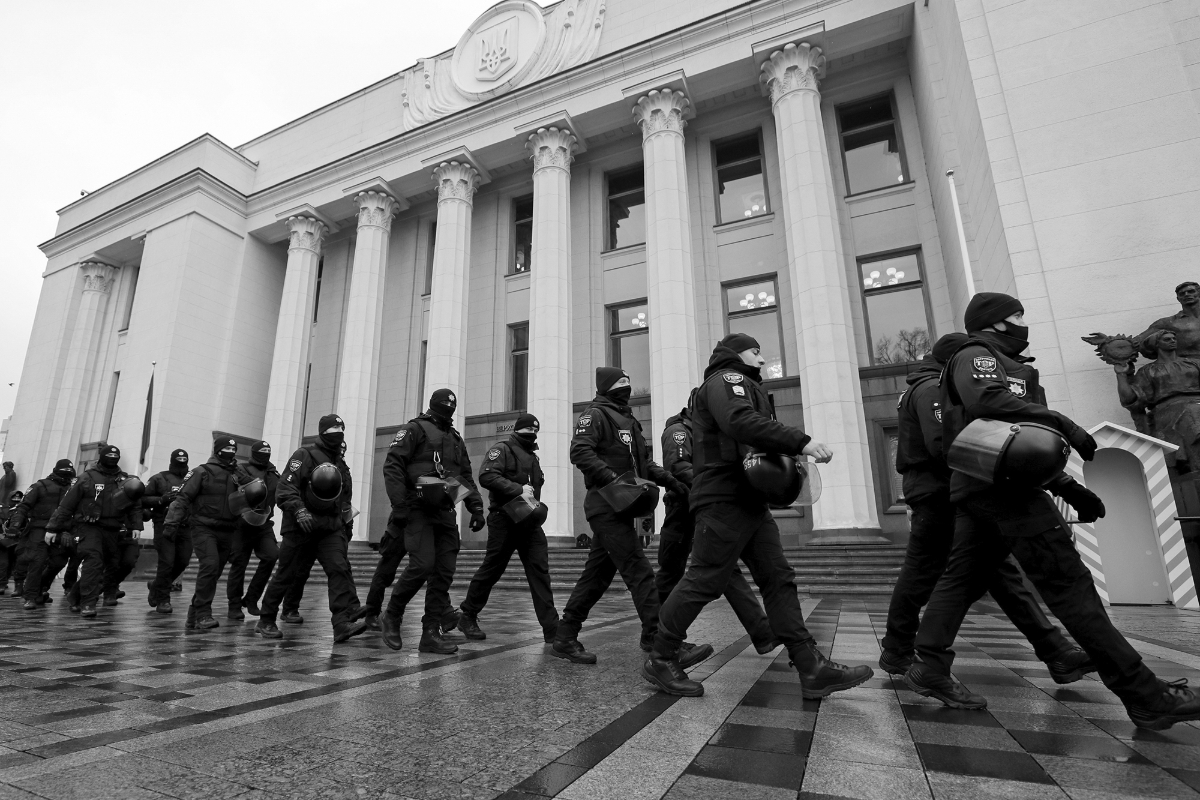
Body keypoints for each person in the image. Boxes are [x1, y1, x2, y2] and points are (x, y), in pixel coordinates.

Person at [906, 291, 1200, 731]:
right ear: (996, 322)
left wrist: (1066, 484)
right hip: (1002, 489)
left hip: (989, 486)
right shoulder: (975, 354)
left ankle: (928, 664)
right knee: (1071, 587)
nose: (1024, 321)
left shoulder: (1018, 368)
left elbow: (1020, 437)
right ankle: (1145, 694)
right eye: (1017, 315)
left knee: (961, 578)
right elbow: (988, 405)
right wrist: (1065, 422)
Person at [644, 333, 873, 698]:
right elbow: (739, 422)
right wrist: (800, 441)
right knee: (704, 580)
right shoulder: (724, 382)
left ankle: (809, 665)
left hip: (748, 499)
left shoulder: (746, 386)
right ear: (736, 354)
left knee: (778, 577)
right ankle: (660, 656)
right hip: (723, 499)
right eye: (756, 351)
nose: (762, 359)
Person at [879, 333, 1094, 683]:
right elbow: (945, 445)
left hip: (948, 491)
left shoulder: (928, 385)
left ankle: (1055, 652)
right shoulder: (933, 389)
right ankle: (899, 649)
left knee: (999, 574)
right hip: (941, 493)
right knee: (925, 574)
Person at [553, 367, 711, 667]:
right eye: (620, 383)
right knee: (640, 572)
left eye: (629, 382)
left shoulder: (630, 421)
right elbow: (580, 452)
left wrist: (673, 482)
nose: (626, 387)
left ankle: (564, 637)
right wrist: (611, 479)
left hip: (621, 508)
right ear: (606, 388)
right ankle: (659, 639)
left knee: (596, 578)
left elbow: (644, 464)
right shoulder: (595, 415)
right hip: (605, 505)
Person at [657, 393, 779, 654]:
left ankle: (762, 632)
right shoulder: (679, 431)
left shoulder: (710, 430)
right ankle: (657, 637)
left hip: (708, 508)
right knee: (671, 572)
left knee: (726, 570)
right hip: (684, 510)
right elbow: (678, 466)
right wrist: (712, 485)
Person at [376, 390, 486, 654]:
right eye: (445, 404)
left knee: (444, 572)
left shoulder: (455, 437)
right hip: (417, 509)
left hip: (445, 511)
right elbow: (393, 466)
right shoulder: (414, 429)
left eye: (452, 404)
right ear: (434, 405)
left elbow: (464, 476)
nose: (449, 407)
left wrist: (477, 507)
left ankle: (430, 632)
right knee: (422, 565)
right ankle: (392, 614)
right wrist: (399, 504)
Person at [254, 414, 368, 643]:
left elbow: (344, 501)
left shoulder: (341, 465)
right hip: (301, 527)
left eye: (341, 428)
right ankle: (266, 619)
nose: (338, 432)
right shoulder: (303, 455)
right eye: (333, 428)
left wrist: (347, 529)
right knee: (286, 574)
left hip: (329, 528)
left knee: (338, 569)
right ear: (322, 431)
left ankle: (341, 623)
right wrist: (299, 510)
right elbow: (285, 489)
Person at [455, 413, 560, 642]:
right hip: (505, 520)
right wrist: (517, 489)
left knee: (540, 572)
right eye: (527, 431)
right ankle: (468, 615)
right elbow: (487, 476)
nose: (531, 435)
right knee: (492, 569)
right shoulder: (502, 449)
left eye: (535, 432)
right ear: (518, 430)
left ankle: (552, 629)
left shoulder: (533, 457)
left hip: (528, 522)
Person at [45, 445, 143, 618]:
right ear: (102, 456)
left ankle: (75, 596)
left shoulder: (124, 479)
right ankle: (88, 603)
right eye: (109, 455)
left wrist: (136, 526)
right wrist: (53, 528)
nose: (112, 458)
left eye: (116, 455)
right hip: (89, 527)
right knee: (94, 561)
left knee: (111, 565)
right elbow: (67, 504)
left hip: (113, 529)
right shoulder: (87, 477)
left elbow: (134, 505)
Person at [162, 437, 245, 630]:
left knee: (213, 572)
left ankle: (193, 613)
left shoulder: (238, 473)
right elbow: (183, 498)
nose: (230, 451)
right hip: (203, 528)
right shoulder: (201, 472)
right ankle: (202, 614)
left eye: (233, 448)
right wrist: (171, 523)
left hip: (228, 530)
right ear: (217, 450)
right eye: (226, 448)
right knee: (210, 565)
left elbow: (254, 491)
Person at [9, 460, 76, 609]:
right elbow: (24, 506)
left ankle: (41, 588)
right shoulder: (40, 486)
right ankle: (30, 596)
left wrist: (71, 531)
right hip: (39, 529)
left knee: (58, 562)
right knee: (36, 562)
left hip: (61, 531)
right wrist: (15, 524)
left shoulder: (73, 489)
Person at [227, 441, 279, 619]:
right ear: (254, 452)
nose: (266, 453)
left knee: (272, 555)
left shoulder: (274, 473)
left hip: (264, 523)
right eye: (262, 451)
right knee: (239, 564)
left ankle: (251, 598)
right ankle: (234, 605)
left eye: (268, 450)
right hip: (241, 524)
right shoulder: (240, 469)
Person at [144, 449, 191, 614]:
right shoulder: (159, 478)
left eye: (184, 459)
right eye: (178, 459)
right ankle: (163, 599)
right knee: (167, 562)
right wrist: (161, 500)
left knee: (183, 561)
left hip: (185, 526)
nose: (181, 461)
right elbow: (143, 499)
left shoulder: (192, 478)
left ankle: (157, 585)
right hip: (163, 526)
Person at [0, 491, 26, 595]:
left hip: (17, 541)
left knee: (12, 563)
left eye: (18, 498)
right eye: (14, 497)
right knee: (4, 562)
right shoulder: (3, 510)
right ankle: (1, 583)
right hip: (4, 540)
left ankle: (4, 581)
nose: (16, 499)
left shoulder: (24, 511)